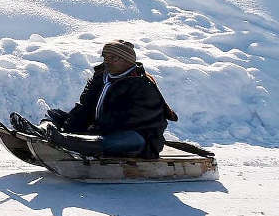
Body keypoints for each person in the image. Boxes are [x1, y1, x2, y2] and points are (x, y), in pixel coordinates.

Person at [10, 40, 177, 158]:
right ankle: (44, 130)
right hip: (98, 128)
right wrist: (72, 125)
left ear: (128, 62)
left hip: (140, 138)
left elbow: (128, 119)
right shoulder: (101, 77)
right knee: (56, 115)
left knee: (124, 139)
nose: (107, 61)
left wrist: (93, 129)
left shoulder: (142, 86)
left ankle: (62, 141)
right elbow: (85, 107)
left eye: (114, 58)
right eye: (105, 57)